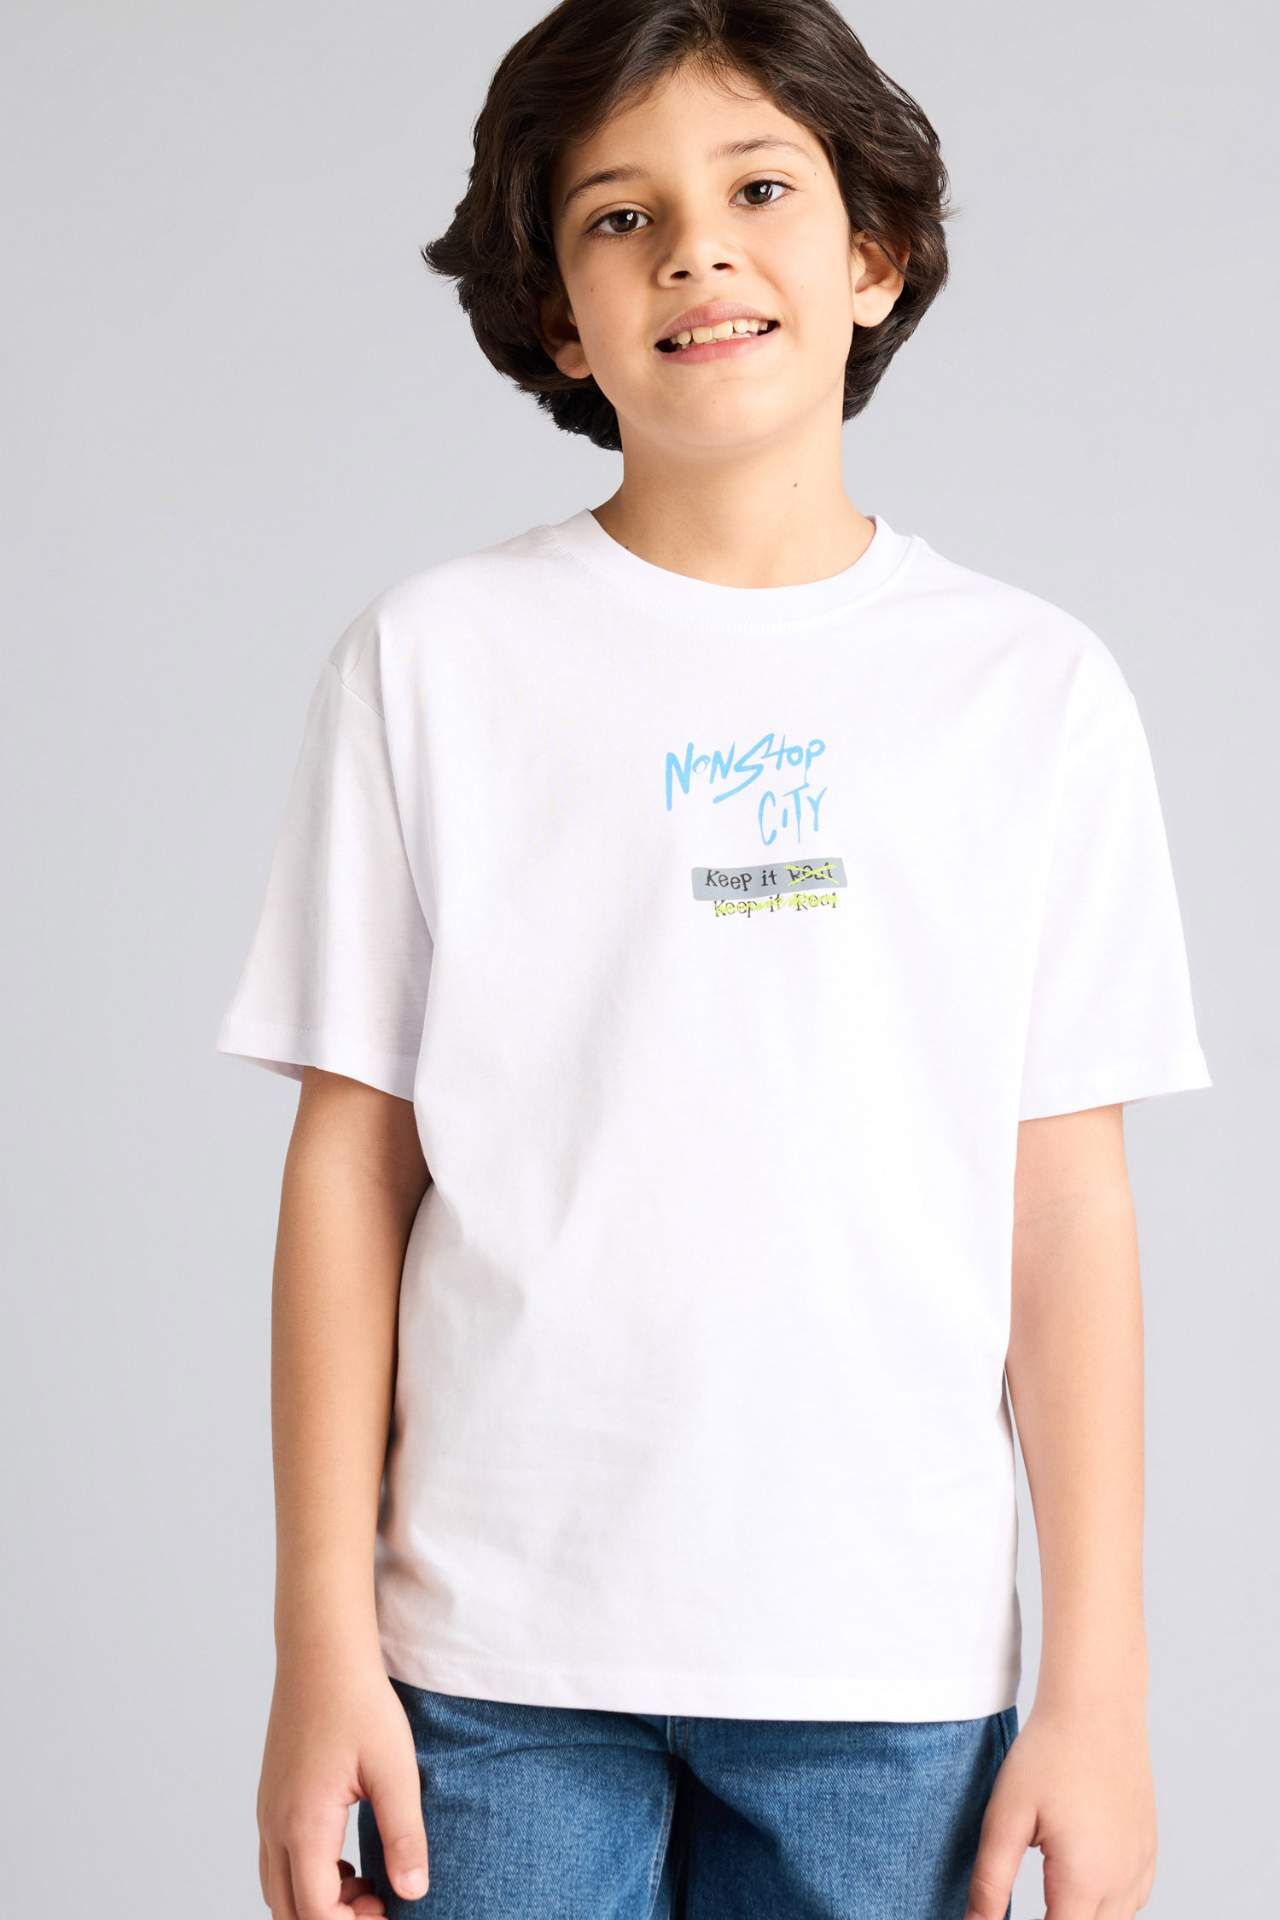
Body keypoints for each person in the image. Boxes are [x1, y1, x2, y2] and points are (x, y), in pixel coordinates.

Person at [214, 3, 1213, 1915]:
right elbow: (352, 1165)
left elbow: (1064, 1203)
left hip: (888, 1669)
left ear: (873, 252)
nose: (696, 252)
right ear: (556, 315)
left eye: (760, 190)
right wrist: (316, 1642)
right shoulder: (434, 663)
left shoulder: (1030, 692)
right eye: (621, 216)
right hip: (489, 1662)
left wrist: (1101, 1693)